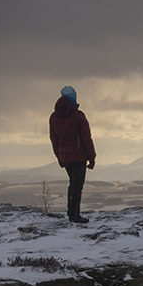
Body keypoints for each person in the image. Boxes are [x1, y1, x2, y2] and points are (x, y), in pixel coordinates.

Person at [49, 86, 96, 224]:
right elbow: (87, 138)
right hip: (79, 157)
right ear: (74, 98)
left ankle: (72, 213)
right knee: (77, 186)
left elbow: (54, 139)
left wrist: (59, 157)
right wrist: (92, 158)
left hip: (65, 157)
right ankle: (74, 215)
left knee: (73, 185)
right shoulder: (79, 116)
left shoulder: (54, 117)